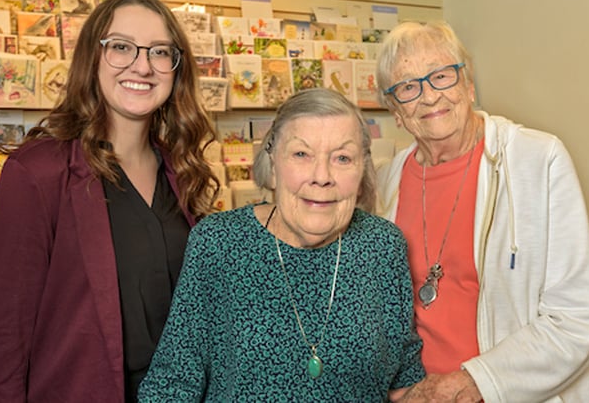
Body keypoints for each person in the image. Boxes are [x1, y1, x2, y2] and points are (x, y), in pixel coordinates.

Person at [0, 0, 220, 402]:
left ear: (177, 69)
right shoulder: (39, 173)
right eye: (121, 47)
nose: (142, 65)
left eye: (160, 52)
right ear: (92, 57)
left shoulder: (183, 171)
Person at [137, 88, 425, 401]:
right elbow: (173, 383)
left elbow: (404, 380)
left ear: (362, 170)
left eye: (342, 158)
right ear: (273, 164)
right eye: (301, 154)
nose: (321, 176)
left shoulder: (384, 246)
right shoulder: (219, 243)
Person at [375, 20, 589, 402]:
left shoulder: (537, 160)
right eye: (408, 87)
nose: (429, 96)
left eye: (441, 76)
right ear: (395, 111)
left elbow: (575, 319)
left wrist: (473, 382)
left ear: (469, 86)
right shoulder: (387, 183)